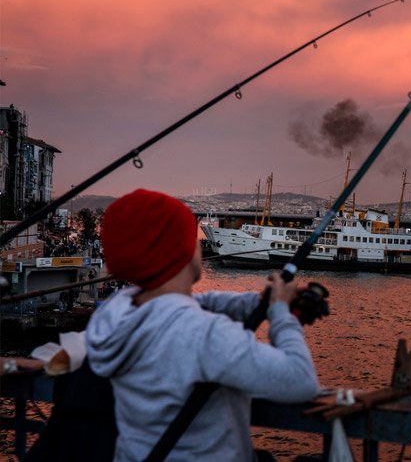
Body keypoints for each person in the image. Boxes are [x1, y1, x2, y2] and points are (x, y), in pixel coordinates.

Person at [86, 189, 320, 461]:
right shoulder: (201, 333)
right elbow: (300, 380)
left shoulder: (119, 311)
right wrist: (281, 313)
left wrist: (259, 302)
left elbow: (196, 303)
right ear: (179, 252)